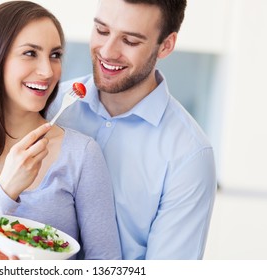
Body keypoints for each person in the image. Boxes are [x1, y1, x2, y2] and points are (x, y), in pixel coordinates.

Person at [0, 1, 121, 260]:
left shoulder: (81, 154)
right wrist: (5, 189)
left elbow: (107, 267)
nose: (48, 71)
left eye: (55, 55)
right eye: (30, 53)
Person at [46, 0, 217, 260]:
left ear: (166, 45)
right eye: (102, 31)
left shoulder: (189, 155)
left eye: (131, 41)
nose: (107, 51)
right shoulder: (51, 106)